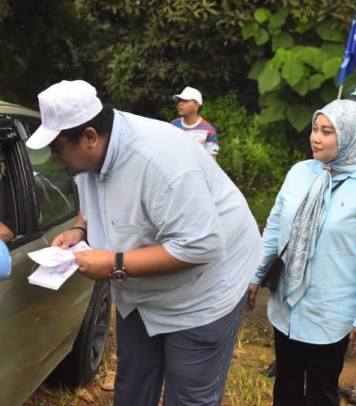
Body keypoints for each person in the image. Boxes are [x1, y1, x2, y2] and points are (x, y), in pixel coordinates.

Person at [26, 79, 263, 406]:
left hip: (205, 287)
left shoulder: (159, 163)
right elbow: (90, 190)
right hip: (140, 283)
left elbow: (201, 246)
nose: (54, 157)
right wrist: (81, 229)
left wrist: (115, 264)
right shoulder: (89, 151)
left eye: (56, 148)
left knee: (189, 393)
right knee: (134, 382)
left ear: (90, 137)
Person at [247, 99, 356, 406]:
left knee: (322, 390)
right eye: (315, 128)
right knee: (285, 382)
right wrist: (254, 275)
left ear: (352, 138)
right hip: (286, 303)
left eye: (327, 132)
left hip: (331, 312)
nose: (316, 137)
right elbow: (274, 228)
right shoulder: (301, 172)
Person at [170, 86, 219, 159]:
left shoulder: (209, 130)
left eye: (185, 101)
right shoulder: (173, 126)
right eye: (180, 100)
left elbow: (212, 160)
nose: (180, 104)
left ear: (196, 106)